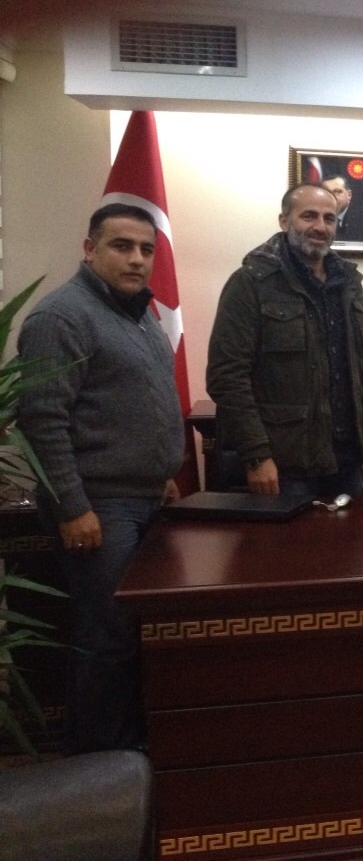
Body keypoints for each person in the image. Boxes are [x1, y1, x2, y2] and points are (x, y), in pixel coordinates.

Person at [17, 203, 184, 752]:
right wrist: (72, 506)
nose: (137, 259)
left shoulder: (140, 313)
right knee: (106, 636)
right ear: (90, 249)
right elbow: (43, 419)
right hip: (97, 506)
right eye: (122, 246)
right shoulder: (62, 317)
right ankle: (97, 763)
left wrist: (160, 474)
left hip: (142, 499)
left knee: (133, 632)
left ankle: (127, 750)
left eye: (146, 250)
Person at [207, 183, 363, 497]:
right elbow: (227, 376)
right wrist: (256, 455)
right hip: (284, 463)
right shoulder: (251, 283)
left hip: (347, 458)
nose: (320, 226)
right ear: (284, 221)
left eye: (329, 218)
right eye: (309, 216)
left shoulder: (348, 283)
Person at [322, 173, 363, 244]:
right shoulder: (317, 216)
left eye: (337, 192)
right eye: (327, 192)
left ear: (349, 195)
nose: (332, 197)